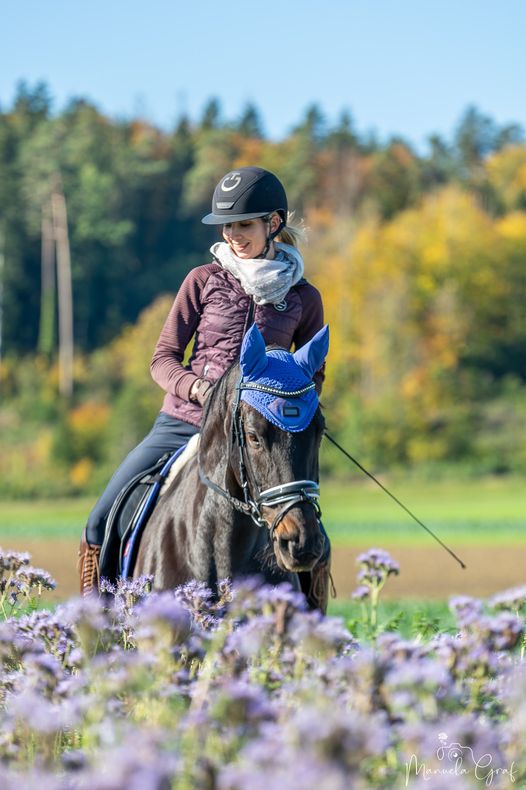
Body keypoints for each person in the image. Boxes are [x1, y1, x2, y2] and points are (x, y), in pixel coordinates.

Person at [78, 166, 331, 607]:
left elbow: (312, 376)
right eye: (228, 225)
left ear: (273, 224)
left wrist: (287, 408)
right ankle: (93, 628)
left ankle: (312, 631)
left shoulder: (304, 298)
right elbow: (162, 360)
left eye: (244, 224)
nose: (234, 234)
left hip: (262, 436)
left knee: (309, 532)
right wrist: (197, 389)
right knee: (102, 517)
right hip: (184, 422)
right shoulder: (202, 280)